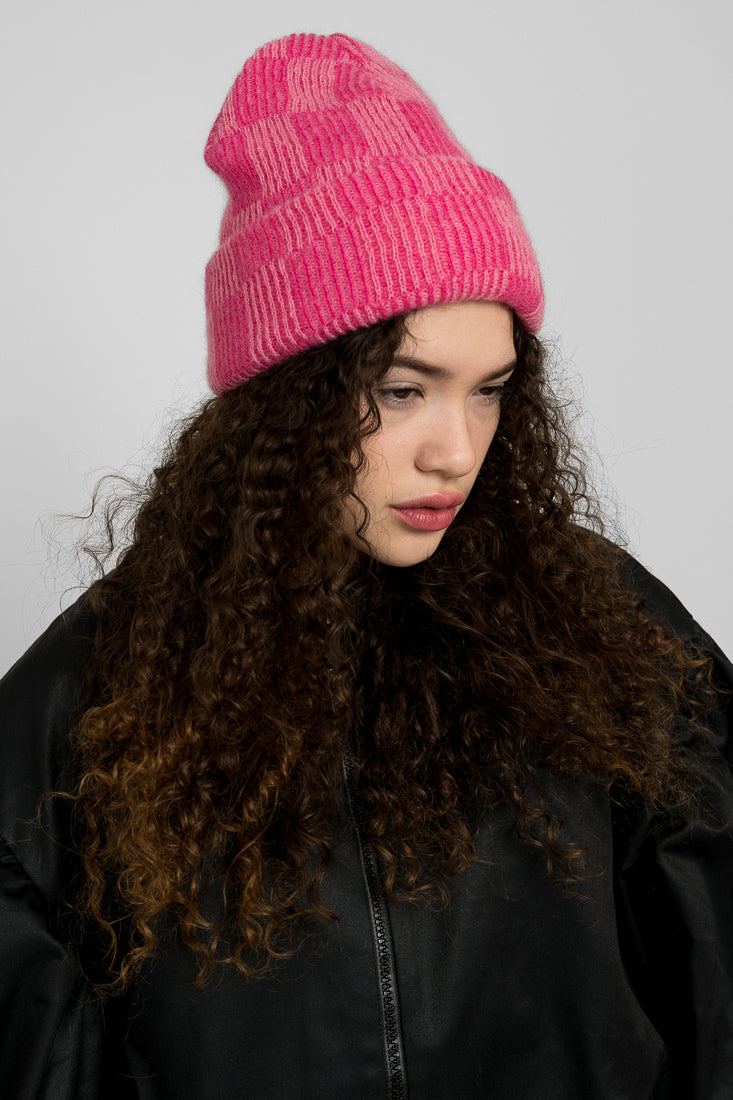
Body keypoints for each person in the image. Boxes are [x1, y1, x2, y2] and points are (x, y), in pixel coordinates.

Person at [0, 31, 731, 1100]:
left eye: (489, 391)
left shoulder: (605, 636)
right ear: (287, 396)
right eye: (402, 389)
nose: (456, 451)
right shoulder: (106, 684)